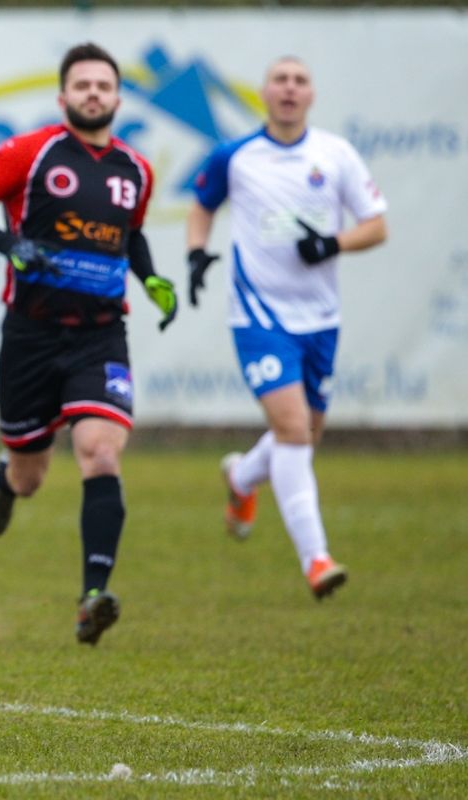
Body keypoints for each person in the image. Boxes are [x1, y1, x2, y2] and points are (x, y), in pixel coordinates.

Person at [0, 42, 176, 646]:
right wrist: (8, 245)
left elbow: (134, 237)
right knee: (31, 478)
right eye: (83, 85)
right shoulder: (32, 151)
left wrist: (150, 279)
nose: (93, 93)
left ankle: (92, 595)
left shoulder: (136, 170)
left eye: (104, 85)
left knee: (100, 451)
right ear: (64, 95)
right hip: (30, 337)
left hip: (101, 337)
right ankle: (6, 474)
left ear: (119, 97)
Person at [185, 56, 387, 599]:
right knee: (295, 430)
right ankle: (317, 559)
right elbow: (201, 206)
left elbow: (376, 226)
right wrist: (197, 255)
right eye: (281, 80)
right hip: (258, 316)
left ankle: (243, 477)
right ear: (264, 93)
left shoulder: (335, 154)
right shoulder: (236, 156)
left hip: (320, 320)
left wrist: (333, 242)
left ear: (312, 94)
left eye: (299, 81)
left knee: (303, 437)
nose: (289, 89)